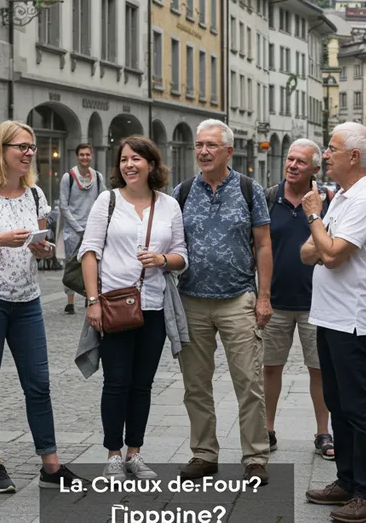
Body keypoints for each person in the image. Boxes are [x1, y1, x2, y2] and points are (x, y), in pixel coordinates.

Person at [0, 120, 84, 494]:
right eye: (21, 147)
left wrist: (44, 249)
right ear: (1, 149)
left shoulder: (34, 194)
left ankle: (50, 465)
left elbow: (41, 243)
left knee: (38, 384)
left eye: (31, 147)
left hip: (27, 301)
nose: (28, 153)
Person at [78, 136, 188, 481]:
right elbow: (89, 252)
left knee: (142, 384)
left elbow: (183, 257)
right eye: (124, 159)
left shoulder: (169, 205)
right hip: (113, 306)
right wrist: (93, 301)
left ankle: (135, 453)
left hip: (154, 307)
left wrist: (162, 259)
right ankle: (113, 454)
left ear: (152, 165)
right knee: (116, 382)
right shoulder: (107, 201)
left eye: (137, 159)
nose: (129, 165)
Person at [172, 119, 273, 486]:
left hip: (237, 299)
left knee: (248, 383)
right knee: (196, 384)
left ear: (228, 151)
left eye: (211, 145)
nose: (203, 151)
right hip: (192, 300)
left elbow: (263, 244)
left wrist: (263, 296)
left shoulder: (249, 189)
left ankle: (255, 456)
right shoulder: (182, 192)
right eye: (199, 145)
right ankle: (204, 454)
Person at [301, 122, 366, 523]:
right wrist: (321, 233)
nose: (325, 155)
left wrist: (315, 219)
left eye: (332, 149)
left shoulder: (365, 199)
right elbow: (309, 253)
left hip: (352, 318)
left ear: (354, 156)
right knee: (338, 403)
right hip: (330, 315)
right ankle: (347, 481)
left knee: (358, 407)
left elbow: (332, 254)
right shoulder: (342, 197)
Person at [262, 139, 334, 460]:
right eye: (290, 159)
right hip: (274, 300)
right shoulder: (268, 198)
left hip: (315, 302)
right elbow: (257, 247)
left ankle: (323, 432)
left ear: (315, 169)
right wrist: (258, 293)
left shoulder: (326, 202)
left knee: (319, 370)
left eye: (300, 162)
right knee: (270, 368)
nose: (292, 165)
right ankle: (267, 429)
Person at [58, 143, 105, 313]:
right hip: (73, 230)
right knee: (72, 265)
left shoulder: (98, 177)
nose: (85, 157)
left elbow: (103, 200)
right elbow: (64, 205)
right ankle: (70, 301)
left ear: (91, 156)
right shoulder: (68, 177)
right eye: (82, 155)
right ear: (77, 156)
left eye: (87, 154)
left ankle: (89, 296)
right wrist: (77, 227)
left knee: (93, 262)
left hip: (92, 229)